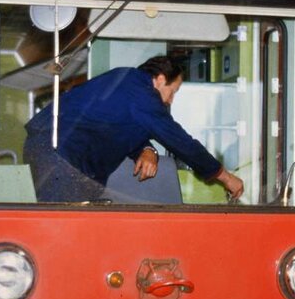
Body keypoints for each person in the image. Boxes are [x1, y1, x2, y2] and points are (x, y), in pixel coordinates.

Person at [24, 55, 244, 203]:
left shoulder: (127, 81)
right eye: (173, 91)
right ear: (159, 79)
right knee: (66, 229)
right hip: (62, 158)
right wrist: (224, 176)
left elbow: (119, 126)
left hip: (49, 149)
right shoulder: (143, 95)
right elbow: (178, 140)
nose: (171, 100)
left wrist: (148, 150)